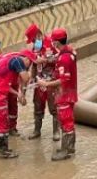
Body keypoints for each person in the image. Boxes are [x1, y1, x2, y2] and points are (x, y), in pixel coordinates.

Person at [0, 48, 37, 159]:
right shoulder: (17, 61)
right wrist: (34, 81)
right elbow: (26, 78)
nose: (29, 66)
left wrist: (19, 94)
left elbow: (5, 86)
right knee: (3, 125)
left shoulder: (6, 62)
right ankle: (4, 151)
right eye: (30, 63)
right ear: (27, 59)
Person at [39, 27, 78, 161]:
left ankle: (66, 150)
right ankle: (69, 147)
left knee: (66, 121)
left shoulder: (64, 59)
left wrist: (46, 84)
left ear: (56, 43)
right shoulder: (68, 52)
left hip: (64, 94)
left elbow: (63, 80)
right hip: (69, 92)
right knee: (67, 120)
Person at [24, 23, 60, 141]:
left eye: (33, 39)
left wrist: (44, 59)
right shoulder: (36, 47)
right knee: (38, 105)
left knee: (53, 106)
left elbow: (59, 58)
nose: (33, 42)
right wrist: (32, 79)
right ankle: (37, 130)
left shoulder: (51, 43)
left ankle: (56, 132)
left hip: (51, 80)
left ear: (38, 34)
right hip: (39, 81)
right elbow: (34, 64)